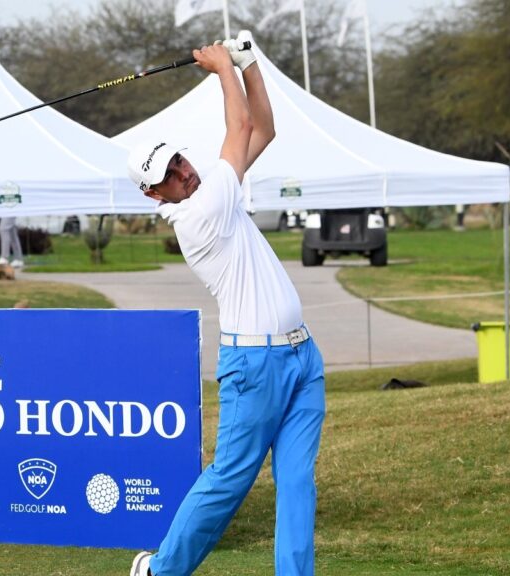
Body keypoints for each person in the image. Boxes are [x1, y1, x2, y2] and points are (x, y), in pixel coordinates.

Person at [128, 34, 325, 576]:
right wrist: (220, 69)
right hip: (254, 366)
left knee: (297, 482)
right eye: (167, 175)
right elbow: (238, 129)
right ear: (154, 195)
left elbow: (263, 128)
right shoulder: (196, 215)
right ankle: (162, 570)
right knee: (227, 481)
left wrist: (249, 64)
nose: (181, 172)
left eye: (178, 161)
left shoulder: (214, 183)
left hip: (302, 359)